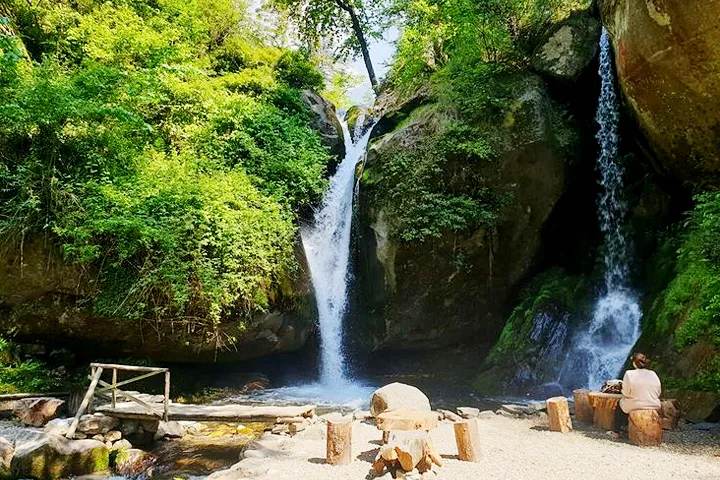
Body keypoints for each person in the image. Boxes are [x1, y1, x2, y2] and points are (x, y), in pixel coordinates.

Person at [615, 352, 662, 431]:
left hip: (636, 404)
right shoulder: (653, 374)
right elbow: (658, 392)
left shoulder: (629, 374)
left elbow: (626, 393)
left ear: (634, 363)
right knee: (628, 403)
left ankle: (617, 431)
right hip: (654, 404)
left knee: (620, 404)